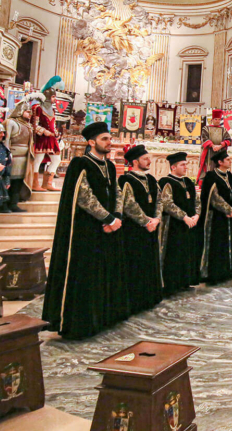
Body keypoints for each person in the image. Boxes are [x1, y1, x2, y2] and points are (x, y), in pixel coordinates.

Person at [43, 121, 128, 339]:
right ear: (91, 142)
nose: (110, 142)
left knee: (103, 273)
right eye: (105, 139)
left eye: (110, 138)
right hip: (86, 230)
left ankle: (103, 317)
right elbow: (84, 197)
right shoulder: (81, 164)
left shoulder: (109, 165)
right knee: (86, 276)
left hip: (109, 228)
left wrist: (117, 217)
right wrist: (108, 218)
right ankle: (82, 323)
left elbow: (117, 192)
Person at [117, 145, 164, 314]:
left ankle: (150, 297)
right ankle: (136, 300)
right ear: (135, 162)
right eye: (145, 159)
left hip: (152, 228)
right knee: (135, 263)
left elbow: (159, 200)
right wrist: (146, 221)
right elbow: (129, 205)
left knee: (150, 262)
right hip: (134, 230)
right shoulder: (125, 180)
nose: (149, 161)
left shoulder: (151, 179)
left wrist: (157, 218)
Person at [158, 152, 201, 294]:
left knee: (187, 252)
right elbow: (167, 203)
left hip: (190, 223)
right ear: (173, 167)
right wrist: (184, 217)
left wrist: (196, 215)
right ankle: (172, 283)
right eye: (183, 165)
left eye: (186, 164)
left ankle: (185, 280)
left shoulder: (188, 182)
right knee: (175, 253)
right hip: (174, 225)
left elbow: (197, 200)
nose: (186, 167)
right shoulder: (166, 182)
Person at [200, 148, 232, 282]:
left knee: (229, 242)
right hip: (217, 217)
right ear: (220, 162)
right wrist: (228, 210)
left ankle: (229, 269)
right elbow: (214, 198)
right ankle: (216, 272)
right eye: (228, 159)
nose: (230, 161)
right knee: (218, 244)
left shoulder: (230, 176)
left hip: (231, 216)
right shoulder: (211, 177)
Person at [29, 76, 64, 192]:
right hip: (41, 139)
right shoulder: (37, 108)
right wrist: (44, 132)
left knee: (56, 159)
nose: (55, 99)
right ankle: (34, 183)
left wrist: (56, 132)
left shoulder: (52, 110)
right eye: (53, 96)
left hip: (52, 138)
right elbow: (34, 124)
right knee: (38, 160)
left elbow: (53, 124)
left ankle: (47, 183)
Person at [3, 102, 35, 212]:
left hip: (24, 158)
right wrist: (6, 155)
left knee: (18, 182)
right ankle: (4, 205)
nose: (30, 114)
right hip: (12, 157)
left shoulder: (27, 125)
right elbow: (6, 140)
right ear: (20, 111)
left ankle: (13, 203)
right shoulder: (10, 122)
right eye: (27, 111)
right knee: (8, 182)